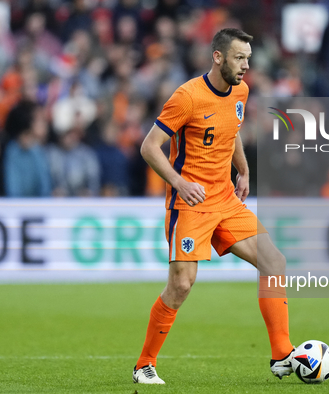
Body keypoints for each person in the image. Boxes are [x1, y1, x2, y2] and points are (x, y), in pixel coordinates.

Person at [133, 28, 294, 385]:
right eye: (240, 58)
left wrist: (244, 169)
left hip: (225, 199)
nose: (246, 66)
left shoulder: (241, 90)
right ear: (218, 56)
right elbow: (149, 146)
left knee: (274, 261)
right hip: (189, 204)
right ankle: (144, 363)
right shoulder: (187, 96)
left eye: (249, 59)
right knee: (182, 285)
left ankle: (282, 354)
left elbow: (231, 128)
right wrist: (178, 182)